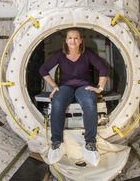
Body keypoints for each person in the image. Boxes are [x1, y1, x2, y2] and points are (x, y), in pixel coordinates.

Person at [39, 28, 108, 165]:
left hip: (84, 86)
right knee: (57, 102)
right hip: (66, 87)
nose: (73, 41)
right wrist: (54, 86)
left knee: (89, 102)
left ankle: (90, 144)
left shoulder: (87, 53)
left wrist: (99, 88)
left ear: (81, 40)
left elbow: (103, 68)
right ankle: (56, 143)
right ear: (65, 40)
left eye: (76, 38)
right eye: (70, 38)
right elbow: (43, 70)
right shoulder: (60, 54)